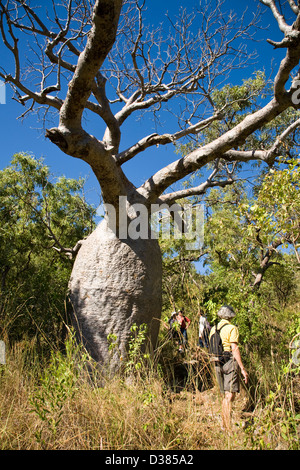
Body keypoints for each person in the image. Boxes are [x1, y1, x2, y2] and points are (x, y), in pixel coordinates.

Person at [209, 305, 248, 432]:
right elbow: (234, 348)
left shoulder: (213, 329)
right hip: (229, 361)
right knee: (229, 395)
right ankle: (227, 426)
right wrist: (242, 368)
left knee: (224, 395)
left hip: (216, 361)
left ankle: (224, 424)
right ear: (231, 316)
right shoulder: (232, 328)